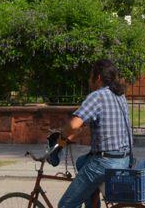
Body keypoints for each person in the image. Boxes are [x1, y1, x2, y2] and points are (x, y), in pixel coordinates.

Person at [57, 59, 133, 208]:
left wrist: (60, 138)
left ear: (97, 77)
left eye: (90, 75)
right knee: (81, 162)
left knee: (65, 205)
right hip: (124, 158)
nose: (88, 79)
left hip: (105, 162)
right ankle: (92, 202)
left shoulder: (97, 96)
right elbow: (88, 127)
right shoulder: (119, 95)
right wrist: (69, 139)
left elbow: (73, 124)